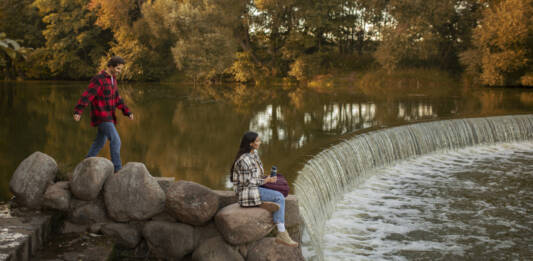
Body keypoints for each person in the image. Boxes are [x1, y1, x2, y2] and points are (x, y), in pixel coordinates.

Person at [230, 131, 298, 247]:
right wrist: (266, 181)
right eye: (257, 141)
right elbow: (247, 182)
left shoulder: (254, 154)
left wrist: (268, 178)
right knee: (279, 197)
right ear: (251, 143)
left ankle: (261, 202)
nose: (260, 142)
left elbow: (257, 175)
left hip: (255, 186)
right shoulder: (243, 161)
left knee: (281, 186)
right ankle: (282, 233)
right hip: (246, 191)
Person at [73, 56, 133, 173]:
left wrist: (127, 112)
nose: (119, 72)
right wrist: (78, 110)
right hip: (101, 115)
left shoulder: (113, 80)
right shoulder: (98, 79)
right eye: (118, 69)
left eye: (121, 69)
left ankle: (85, 164)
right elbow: (88, 95)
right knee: (116, 140)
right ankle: (117, 169)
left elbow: (117, 99)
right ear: (110, 66)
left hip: (109, 116)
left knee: (99, 142)